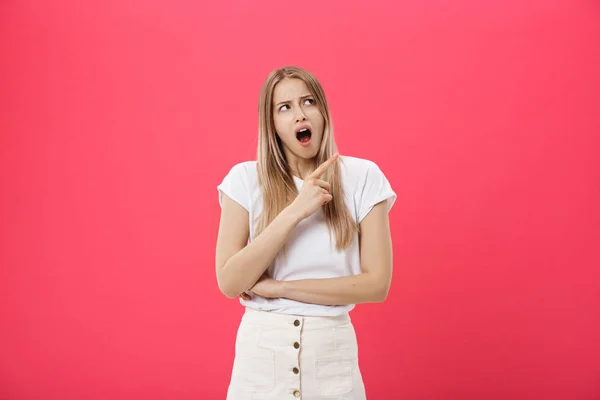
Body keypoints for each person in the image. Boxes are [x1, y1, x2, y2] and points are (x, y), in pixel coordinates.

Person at [215, 66, 396, 400]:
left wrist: (280, 288)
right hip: (260, 359)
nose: (300, 114)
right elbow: (229, 281)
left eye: (308, 101)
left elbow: (377, 284)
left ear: (322, 111)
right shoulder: (243, 180)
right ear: (271, 124)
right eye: (285, 107)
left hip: (331, 356)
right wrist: (296, 210)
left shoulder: (364, 177)